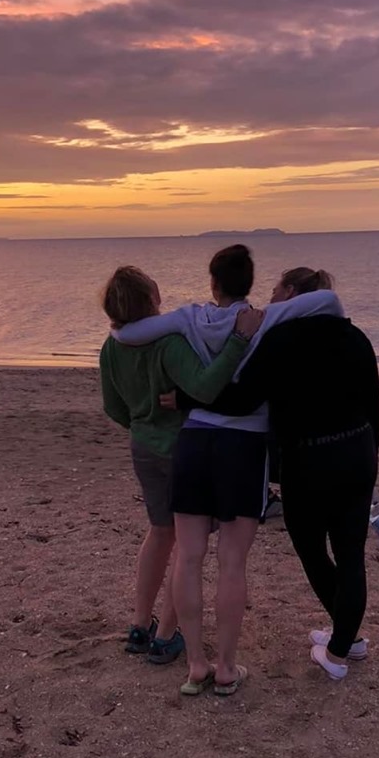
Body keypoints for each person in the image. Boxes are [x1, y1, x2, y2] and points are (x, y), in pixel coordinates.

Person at [111, 246, 346, 696]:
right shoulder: (263, 319)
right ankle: (226, 667)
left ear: (213, 282)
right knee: (232, 562)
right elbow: (330, 304)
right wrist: (277, 306)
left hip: (195, 441)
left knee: (191, 556)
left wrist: (118, 325)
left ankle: (196, 664)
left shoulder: (188, 317)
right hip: (244, 444)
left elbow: (128, 335)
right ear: (250, 282)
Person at [178, 266, 379, 682]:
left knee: (312, 552)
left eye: (274, 290)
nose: (268, 299)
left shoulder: (282, 338)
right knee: (351, 555)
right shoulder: (355, 336)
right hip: (358, 454)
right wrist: (369, 460)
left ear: (289, 292)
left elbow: (242, 399)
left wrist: (186, 397)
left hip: (308, 462)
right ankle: (347, 637)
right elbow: (373, 406)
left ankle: (339, 652)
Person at [99, 265, 262, 666]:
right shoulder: (168, 343)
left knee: (159, 532)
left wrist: (142, 424)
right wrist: (239, 340)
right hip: (181, 449)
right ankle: (167, 634)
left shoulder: (111, 346)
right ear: (151, 297)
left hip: (143, 446)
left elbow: (113, 407)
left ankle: (140, 624)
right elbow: (206, 387)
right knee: (189, 546)